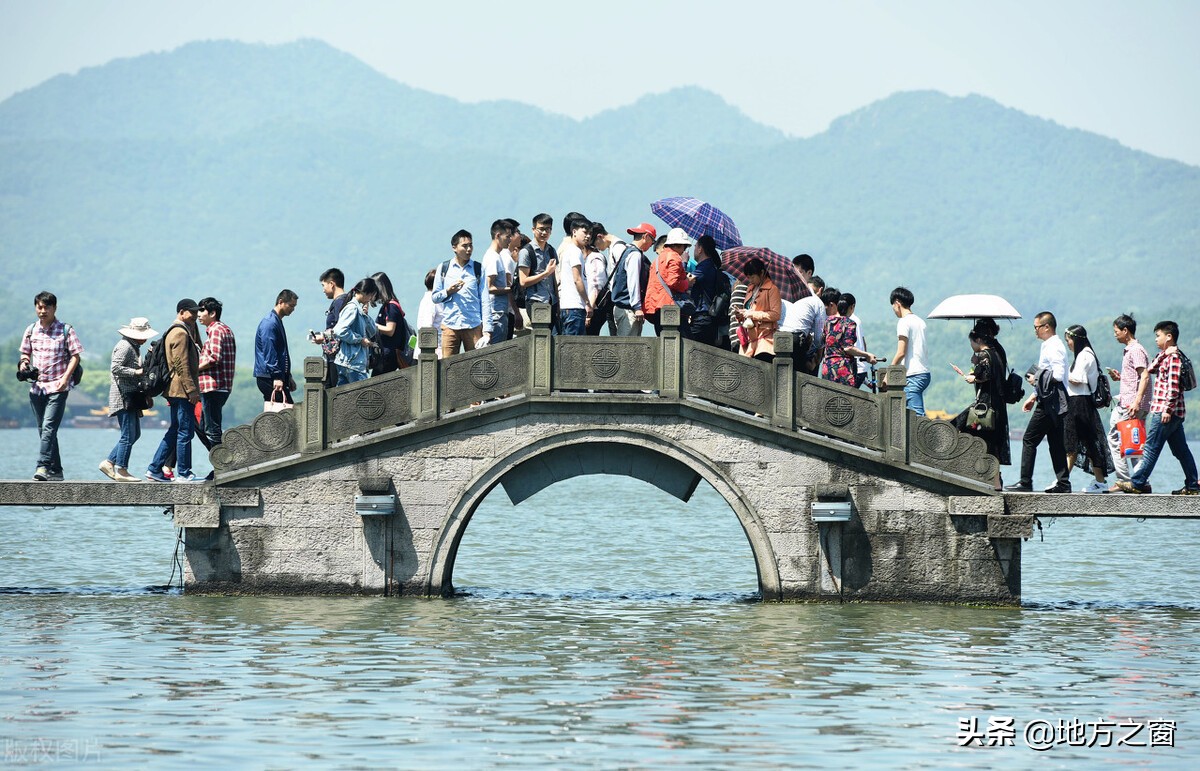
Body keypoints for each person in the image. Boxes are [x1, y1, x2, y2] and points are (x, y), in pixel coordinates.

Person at [1118, 320, 1199, 495]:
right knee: (1181, 450)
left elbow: (1174, 388)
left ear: (1169, 337)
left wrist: (1167, 410)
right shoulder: (1166, 357)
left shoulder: (1174, 359)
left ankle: (1137, 483)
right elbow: (1150, 369)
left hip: (1165, 411)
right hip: (1171, 413)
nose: (1155, 339)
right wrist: (1163, 354)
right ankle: (1193, 486)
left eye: (1158, 335)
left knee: (1151, 448)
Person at [18, 291, 84, 481]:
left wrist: (65, 378)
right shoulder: (31, 330)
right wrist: (24, 364)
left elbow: (76, 356)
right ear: (35, 308)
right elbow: (25, 353)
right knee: (44, 429)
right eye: (39, 307)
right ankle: (57, 470)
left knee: (48, 427)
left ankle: (43, 467)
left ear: (55, 308)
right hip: (37, 387)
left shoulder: (66, 330)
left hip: (58, 386)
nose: (43, 311)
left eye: (47, 307)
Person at [1006, 311, 1071, 493]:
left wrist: (1036, 378)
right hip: (1051, 399)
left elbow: (1058, 375)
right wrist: (1033, 396)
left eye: (1037, 327)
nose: (1035, 331)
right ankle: (1064, 483)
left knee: (1029, 439)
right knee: (1056, 443)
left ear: (1047, 327)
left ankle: (1025, 482)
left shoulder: (1054, 347)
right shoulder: (1048, 345)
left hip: (1051, 400)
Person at [146, 299, 202, 483]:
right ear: (182, 312)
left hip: (175, 390)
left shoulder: (175, 331)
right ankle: (184, 473)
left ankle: (155, 469)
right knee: (185, 432)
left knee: (175, 430)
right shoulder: (180, 333)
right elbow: (180, 364)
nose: (195, 316)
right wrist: (191, 390)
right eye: (192, 312)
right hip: (181, 391)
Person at [951, 328, 1011, 487]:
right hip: (997, 405)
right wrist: (976, 363)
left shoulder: (984, 355)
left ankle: (980, 477)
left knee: (963, 430)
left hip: (985, 406)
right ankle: (995, 481)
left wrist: (972, 377)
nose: (971, 345)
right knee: (992, 442)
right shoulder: (998, 352)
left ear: (978, 341)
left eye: (971, 341)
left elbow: (984, 375)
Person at [100, 317, 155, 482]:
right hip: (123, 396)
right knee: (128, 434)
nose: (146, 338)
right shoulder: (125, 346)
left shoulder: (133, 347)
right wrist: (136, 372)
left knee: (134, 433)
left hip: (130, 396)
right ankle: (121, 470)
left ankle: (109, 462)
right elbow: (115, 368)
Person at [1063, 325, 1113, 493]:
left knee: (1077, 444)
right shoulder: (1082, 355)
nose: (1068, 344)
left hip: (1080, 403)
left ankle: (1063, 480)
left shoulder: (1085, 355)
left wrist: (1058, 374)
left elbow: (1077, 379)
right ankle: (1098, 481)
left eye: (1069, 340)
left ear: (1076, 339)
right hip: (1077, 402)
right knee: (1085, 444)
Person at [1105, 314, 1152, 490]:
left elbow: (1145, 375)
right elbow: (1137, 377)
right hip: (1131, 401)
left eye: (1116, 331)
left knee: (1115, 437)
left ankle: (1124, 479)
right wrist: (1121, 377)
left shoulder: (1135, 350)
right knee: (1135, 442)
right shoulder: (1131, 350)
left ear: (1126, 331)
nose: (1115, 334)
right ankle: (1140, 481)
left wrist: (1137, 401)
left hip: (1131, 403)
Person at [432, 229, 485, 357]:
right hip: (450, 324)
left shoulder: (478, 268)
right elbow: (435, 297)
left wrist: (487, 329)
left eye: (470, 245)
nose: (469, 249)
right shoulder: (444, 268)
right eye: (465, 246)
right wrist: (448, 291)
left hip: (473, 324)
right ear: (454, 248)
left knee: (476, 363)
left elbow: (485, 299)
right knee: (447, 365)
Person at [196, 297, 235, 450]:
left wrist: (195, 368)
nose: (198, 314)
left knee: (212, 431)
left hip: (213, 386)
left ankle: (223, 467)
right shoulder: (223, 329)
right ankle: (219, 464)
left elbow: (214, 357)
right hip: (219, 386)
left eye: (201, 310)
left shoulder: (216, 330)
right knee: (205, 427)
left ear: (212, 313)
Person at [818, 289, 876, 385]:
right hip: (843, 369)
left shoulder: (828, 321)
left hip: (827, 367)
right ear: (852, 307)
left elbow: (822, 341)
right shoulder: (850, 323)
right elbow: (848, 348)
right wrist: (867, 355)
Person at [889, 287, 930, 416]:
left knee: (916, 416)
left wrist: (889, 373)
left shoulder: (903, 322)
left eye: (893, 306)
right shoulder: (920, 321)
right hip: (924, 372)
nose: (893, 310)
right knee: (913, 414)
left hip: (913, 374)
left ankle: (925, 436)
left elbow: (901, 352)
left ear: (897, 303)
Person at [644, 228, 692, 335]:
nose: (684, 251)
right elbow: (673, 282)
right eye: (684, 247)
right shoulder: (674, 257)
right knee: (682, 342)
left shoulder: (658, 259)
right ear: (679, 245)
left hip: (655, 306)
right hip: (669, 306)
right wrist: (687, 283)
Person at [254, 289, 298, 407]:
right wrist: (278, 376)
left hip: (275, 375)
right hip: (269, 376)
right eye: (291, 305)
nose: (293, 309)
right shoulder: (270, 323)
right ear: (281, 302)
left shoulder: (276, 321)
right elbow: (270, 352)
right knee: (285, 412)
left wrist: (288, 376)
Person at [611, 223, 655, 337]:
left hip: (620, 306)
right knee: (628, 349)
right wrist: (637, 307)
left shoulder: (626, 251)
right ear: (645, 236)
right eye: (652, 241)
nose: (651, 245)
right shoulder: (635, 255)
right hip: (628, 309)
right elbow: (633, 282)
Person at [732, 257, 780, 362]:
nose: (750, 280)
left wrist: (752, 314)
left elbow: (776, 314)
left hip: (765, 340)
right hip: (749, 339)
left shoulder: (772, 289)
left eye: (752, 277)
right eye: (748, 277)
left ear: (762, 272)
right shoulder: (750, 289)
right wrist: (741, 314)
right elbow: (748, 310)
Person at [333, 278, 379, 384]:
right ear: (366, 293)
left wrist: (365, 315)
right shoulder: (352, 308)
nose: (371, 299)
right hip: (353, 363)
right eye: (371, 296)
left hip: (349, 362)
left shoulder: (358, 308)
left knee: (343, 398)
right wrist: (359, 340)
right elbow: (339, 330)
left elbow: (372, 331)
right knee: (363, 397)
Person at [517, 213, 558, 332]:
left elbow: (554, 278)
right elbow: (523, 281)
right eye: (541, 229)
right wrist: (545, 273)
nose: (544, 233)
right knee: (541, 336)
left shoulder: (551, 250)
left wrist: (558, 301)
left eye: (548, 229)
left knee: (550, 335)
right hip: (536, 300)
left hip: (552, 300)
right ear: (533, 229)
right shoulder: (526, 252)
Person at [312, 268, 349, 388]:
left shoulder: (340, 302)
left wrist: (323, 337)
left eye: (324, 285)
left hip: (338, 358)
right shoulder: (344, 301)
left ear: (332, 284)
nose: (323, 290)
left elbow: (341, 329)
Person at [783, 274, 827, 373]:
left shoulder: (792, 297)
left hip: (779, 336)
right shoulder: (818, 302)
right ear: (820, 290)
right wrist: (817, 359)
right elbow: (818, 337)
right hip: (797, 340)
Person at [685, 235, 723, 346]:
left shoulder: (705, 267)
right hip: (706, 318)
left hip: (702, 318)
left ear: (700, 249)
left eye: (696, 246)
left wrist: (683, 262)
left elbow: (685, 281)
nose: (694, 249)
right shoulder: (710, 266)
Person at [556, 218, 592, 335]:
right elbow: (577, 279)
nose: (588, 236)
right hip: (574, 307)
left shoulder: (570, 250)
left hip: (569, 307)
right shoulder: (575, 251)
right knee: (572, 348)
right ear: (574, 231)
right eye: (585, 232)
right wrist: (587, 303)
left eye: (590, 234)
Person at [482, 219, 516, 345]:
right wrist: (510, 289)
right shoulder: (493, 258)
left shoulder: (497, 256)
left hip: (500, 312)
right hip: (496, 313)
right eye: (507, 236)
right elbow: (489, 287)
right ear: (497, 236)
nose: (510, 240)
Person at [368, 272, 408, 376]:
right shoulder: (387, 306)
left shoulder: (391, 306)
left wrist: (372, 325)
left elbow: (390, 330)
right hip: (385, 354)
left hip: (389, 355)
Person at [585, 222, 616, 336]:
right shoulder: (598, 257)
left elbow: (596, 285)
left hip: (595, 306)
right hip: (597, 305)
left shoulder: (594, 258)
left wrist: (590, 310)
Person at [843, 293, 871, 389]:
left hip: (855, 367)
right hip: (860, 366)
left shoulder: (850, 321)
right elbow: (863, 343)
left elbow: (854, 345)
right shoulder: (855, 320)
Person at [416, 268, 444, 358]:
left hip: (431, 347)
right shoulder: (432, 301)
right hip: (433, 349)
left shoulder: (426, 299)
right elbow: (428, 325)